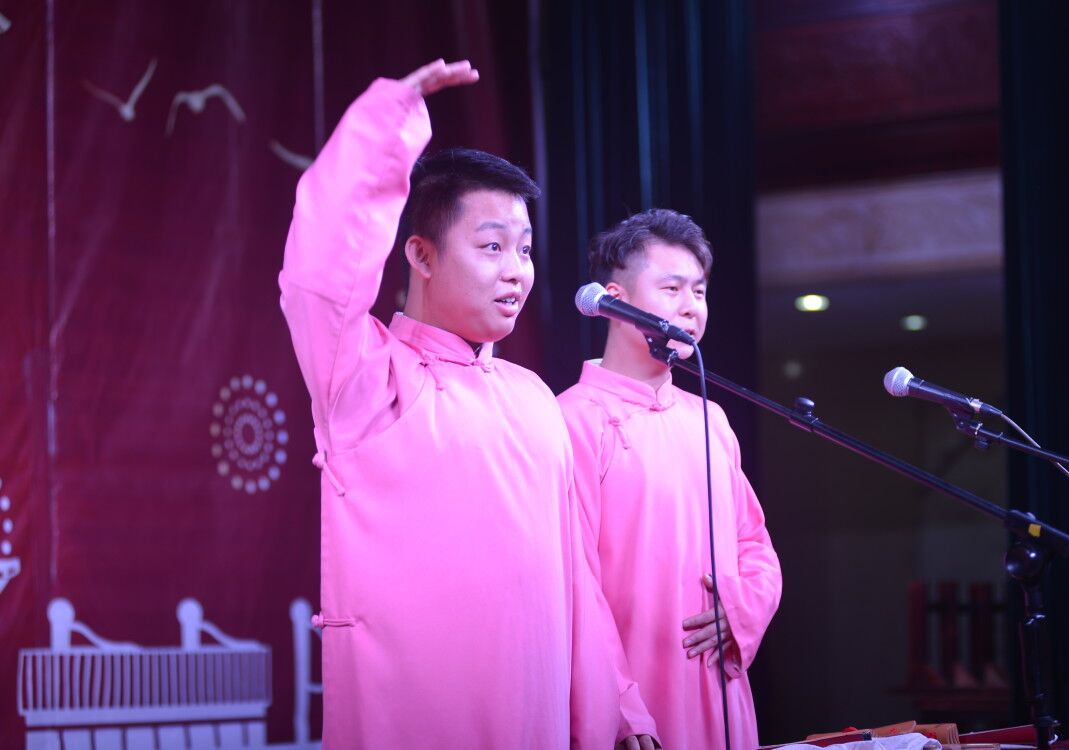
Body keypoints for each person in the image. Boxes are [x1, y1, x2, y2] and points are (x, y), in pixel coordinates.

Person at [279, 59, 636, 748]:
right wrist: (385, 124)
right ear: (421, 255)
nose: (516, 271)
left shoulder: (534, 398)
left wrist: (619, 708)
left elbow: (577, 581)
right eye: (492, 246)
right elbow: (317, 276)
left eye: (524, 250)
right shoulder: (370, 380)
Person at [558, 209, 784, 749]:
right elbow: (572, 583)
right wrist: (618, 704)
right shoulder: (573, 420)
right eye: (671, 288)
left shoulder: (710, 419)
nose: (691, 306)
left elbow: (754, 544)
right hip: (632, 705)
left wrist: (740, 610)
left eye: (699, 291)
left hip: (718, 690)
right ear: (615, 300)